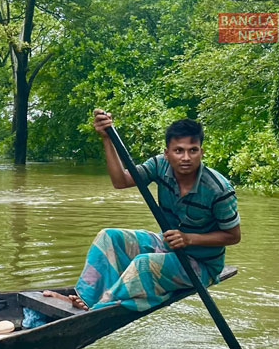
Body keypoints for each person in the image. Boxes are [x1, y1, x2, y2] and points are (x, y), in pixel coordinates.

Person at [31, 109, 241, 323]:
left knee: (144, 265)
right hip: (167, 245)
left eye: (192, 150)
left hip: (202, 263)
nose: (186, 158)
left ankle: (98, 310)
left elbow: (233, 236)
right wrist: (106, 138)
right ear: (167, 153)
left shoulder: (218, 189)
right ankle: (83, 299)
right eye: (178, 151)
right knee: (109, 237)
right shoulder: (160, 165)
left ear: (201, 152)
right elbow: (120, 181)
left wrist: (189, 239)